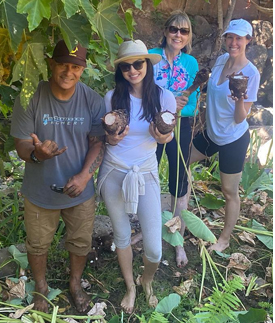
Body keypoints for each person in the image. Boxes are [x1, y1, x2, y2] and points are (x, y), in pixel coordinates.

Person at [10, 40, 105, 313]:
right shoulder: (31, 97)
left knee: (80, 241)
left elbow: (98, 142)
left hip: (79, 190)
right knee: (38, 243)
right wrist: (38, 153)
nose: (68, 71)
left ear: (83, 69)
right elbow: (21, 145)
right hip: (40, 190)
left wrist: (85, 176)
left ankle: (75, 283)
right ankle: (41, 286)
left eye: (75, 66)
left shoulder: (91, 99)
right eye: (62, 64)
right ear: (51, 63)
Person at [97, 40, 176, 313]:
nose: (133, 70)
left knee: (154, 248)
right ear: (120, 70)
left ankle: (147, 279)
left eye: (138, 64)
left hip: (145, 172)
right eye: (126, 66)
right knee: (121, 234)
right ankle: (131, 285)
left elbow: (168, 135)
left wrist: (163, 136)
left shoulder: (164, 97)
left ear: (147, 65)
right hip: (114, 170)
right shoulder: (112, 98)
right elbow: (108, 140)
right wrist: (112, 138)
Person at [187, 19, 259, 252]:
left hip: (233, 139)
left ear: (248, 40)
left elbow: (240, 118)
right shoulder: (219, 61)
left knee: (229, 192)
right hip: (211, 133)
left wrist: (239, 100)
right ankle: (182, 213)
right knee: (182, 161)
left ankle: (224, 239)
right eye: (230, 37)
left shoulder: (251, 73)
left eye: (239, 38)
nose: (233, 42)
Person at [150, 10, 200, 268]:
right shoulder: (151, 57)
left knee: (179, 180)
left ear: (189, 36)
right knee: (149, 173)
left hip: (181, 125)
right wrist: (167, 102)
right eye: (174, 29)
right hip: (153, 124)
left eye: (184, 31)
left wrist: (182, 105)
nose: (178, 35)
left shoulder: (191, 63)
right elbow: (142, 91)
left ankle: (177, 238)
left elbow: (193, 102)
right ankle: (150, 230)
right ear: (165, 31)